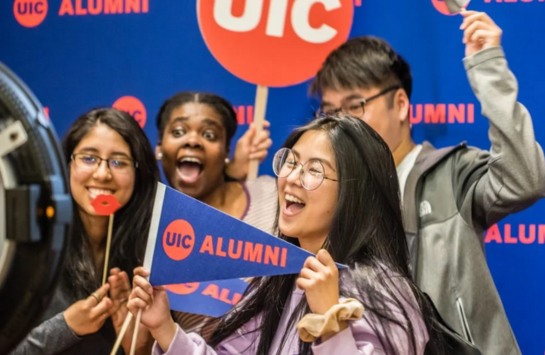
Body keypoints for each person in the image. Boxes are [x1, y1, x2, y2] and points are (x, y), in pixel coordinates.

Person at [310, 11, 545, 354]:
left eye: (355, 105)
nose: (341, 124)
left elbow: (527, 180)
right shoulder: (330, 196)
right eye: (330, 112)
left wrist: (488, 68)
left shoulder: (451, 173)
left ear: (401, 104)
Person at [127, 115, 451, 355]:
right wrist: (166, 329)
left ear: (355, 194)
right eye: (290, 162)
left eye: (314, 170)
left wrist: (329, 320)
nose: (291, 179)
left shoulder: (380, 288)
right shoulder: (276, 280)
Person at [11, 108, 160, 354]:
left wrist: (141, 347)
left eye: (119, 162)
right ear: (67, 163)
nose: (102, 174)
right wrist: (66, 327)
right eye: (89, 158)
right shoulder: (30, 249)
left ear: (139, 172)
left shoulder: (151, 259)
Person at [155, 92, 278, 337]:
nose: (192, 140)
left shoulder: (272, 194)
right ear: (159, 148)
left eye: (209, 135)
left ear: (226, 150)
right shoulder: (153, 233)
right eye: (178, 132)